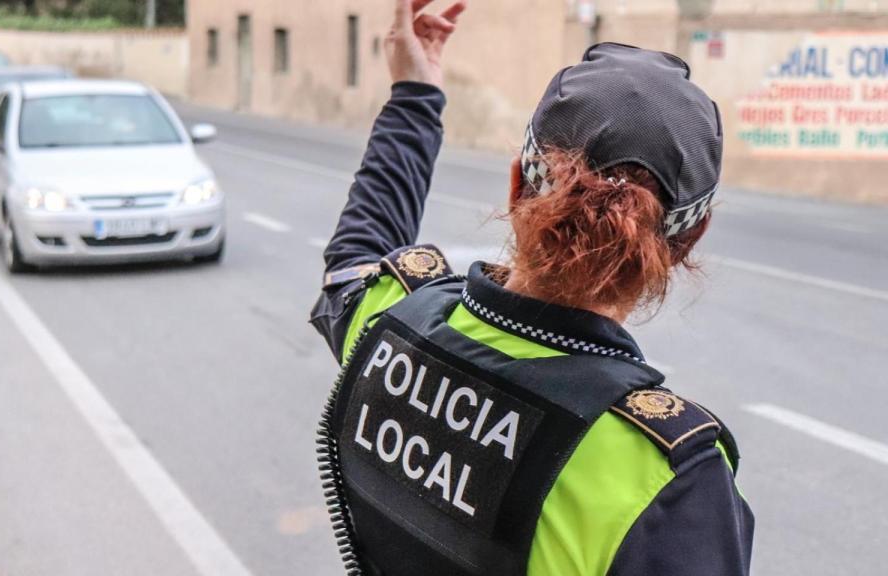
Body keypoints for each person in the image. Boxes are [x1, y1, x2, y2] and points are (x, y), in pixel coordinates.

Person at [310, 1, 755, 574]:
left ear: (520, 185)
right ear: (685, 243)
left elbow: (353, 260)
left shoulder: (392, 320)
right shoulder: (669, 478)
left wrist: (415, 93)